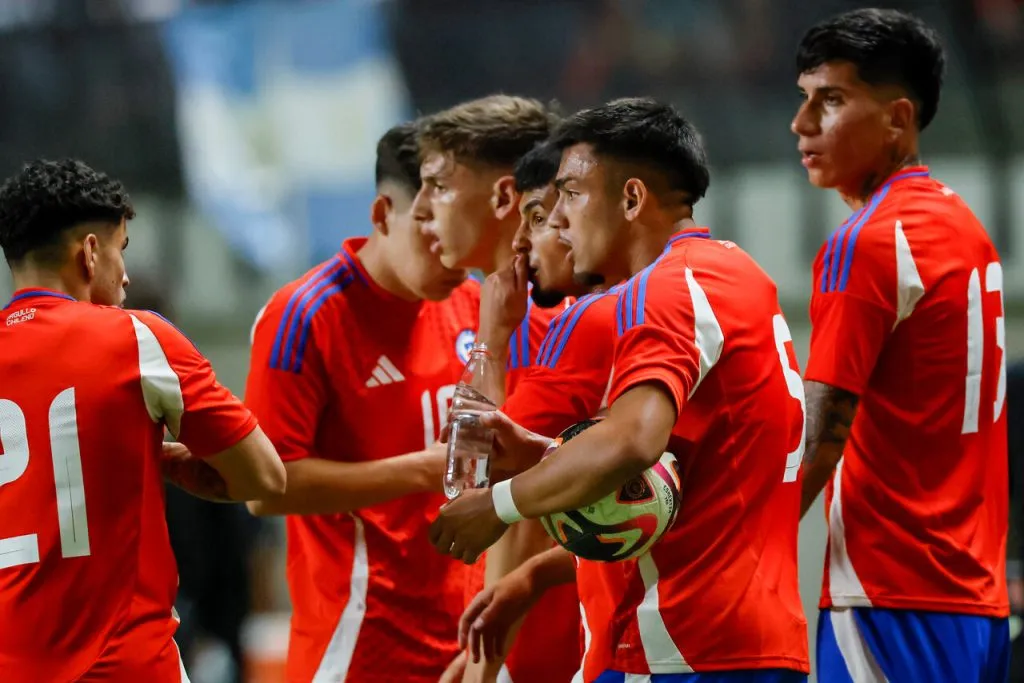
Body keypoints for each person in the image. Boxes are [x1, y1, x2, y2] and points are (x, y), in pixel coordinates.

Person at [430, 98, 809, 683]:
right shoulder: (737, 273)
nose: (559, 220)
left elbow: (476, 464)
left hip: (675, 644)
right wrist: (537, 458)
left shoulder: (638, 300)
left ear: (631, 199)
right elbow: (667, 482)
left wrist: (500, 501)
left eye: (571, 195)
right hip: (746, 635)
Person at [0, 158, 285, 682]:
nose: (125, 275)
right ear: (89, 253)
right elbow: (265, 478)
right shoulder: (135, 338)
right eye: (120, 250)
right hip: (127, 666)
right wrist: (203, 478)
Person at [791, 9, 1010, 682]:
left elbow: (823, 428)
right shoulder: (962, 224)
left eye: (830, 100)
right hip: (974, 597)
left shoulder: (866, 241)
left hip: (890, 592)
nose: (802, 125)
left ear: (897, 118)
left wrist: (740, 541)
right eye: (803, 101)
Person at [244, 122, 480, 682]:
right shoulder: (303, 316)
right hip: (357, 644)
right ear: (383, 215)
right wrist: (422, 472)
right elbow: (264, 489)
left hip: (469, 639)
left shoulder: (476, 304)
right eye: (430, 229)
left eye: (461, 229)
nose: (451, 252)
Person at [410, 95, 572, 682]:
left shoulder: (545, 317)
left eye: (438, 187)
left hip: (550, 646)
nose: (421, 211)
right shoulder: (501, 313)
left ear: (504, 197)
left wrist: (490, 665)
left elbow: (515, 503)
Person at [454, 141, 623, 683]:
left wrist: (490, 339)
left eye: (536, 217)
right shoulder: (648, 303)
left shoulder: (587, 324)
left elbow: (469, 473)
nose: (521, 242)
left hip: (568, 643)